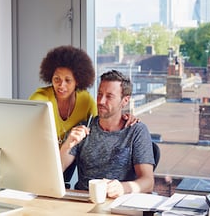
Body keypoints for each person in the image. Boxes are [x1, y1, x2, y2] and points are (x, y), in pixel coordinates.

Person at [29, 46, 139, 184]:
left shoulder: (85, 100)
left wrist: (124, 116)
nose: (61, 85)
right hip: (40, 163)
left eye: (68, 80)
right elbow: (28, 138)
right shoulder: (39, 99)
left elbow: (99, 122)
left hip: (65, 165)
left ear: (78, 81)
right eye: (56, 79)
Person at [59, 70, 155, 198]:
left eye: (109, 96)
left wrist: (123, 188)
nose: (101, 101)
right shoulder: (83, 128)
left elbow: (148, 182)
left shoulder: (136, 131)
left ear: (125, 101)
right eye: (99, 94)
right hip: (83, 199)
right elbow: (55, 172)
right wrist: (67, 145)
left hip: (118, 201)